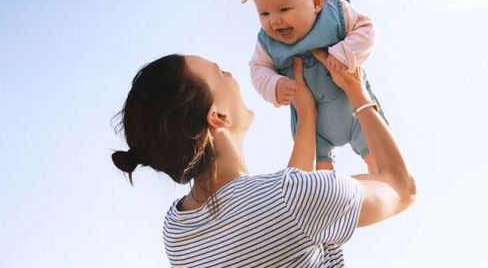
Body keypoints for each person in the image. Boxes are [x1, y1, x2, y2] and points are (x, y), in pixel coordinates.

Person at [112, 50, 416, 267]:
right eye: (220, 72)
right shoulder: (293, 198)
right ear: (218, 116)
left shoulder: (178, 231)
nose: (231, 75)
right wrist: (356, 92)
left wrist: (306, 115)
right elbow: (402, 189)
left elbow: (282, 222)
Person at [243, 0, 388, 170]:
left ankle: (383, 183)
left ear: (317, 2)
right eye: (264, 14)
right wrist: (273, 84)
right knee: (319, 181)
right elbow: (258, 69)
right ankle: (327, 192)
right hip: (314, 126)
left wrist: (345, 53)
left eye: (284, 9)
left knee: (381, 164)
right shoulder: (267, 43)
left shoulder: (335, 14)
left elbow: (368, 30)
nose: (274, 20)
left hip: (355, 108)